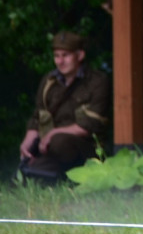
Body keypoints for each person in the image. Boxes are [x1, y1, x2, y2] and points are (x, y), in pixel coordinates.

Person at [18, 31, 111, 182]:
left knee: (59, 142)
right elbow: (38, 116)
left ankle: (74, 176)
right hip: (51, 148)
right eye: (56, 56)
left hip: (86, 148)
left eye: (65, 55)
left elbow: (91, 124)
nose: (60, 61)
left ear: (80, 55)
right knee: (27, 176)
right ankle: (54, 176)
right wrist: (28, 141)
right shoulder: (49, 81)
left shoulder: (97, 82)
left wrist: (52, 134)